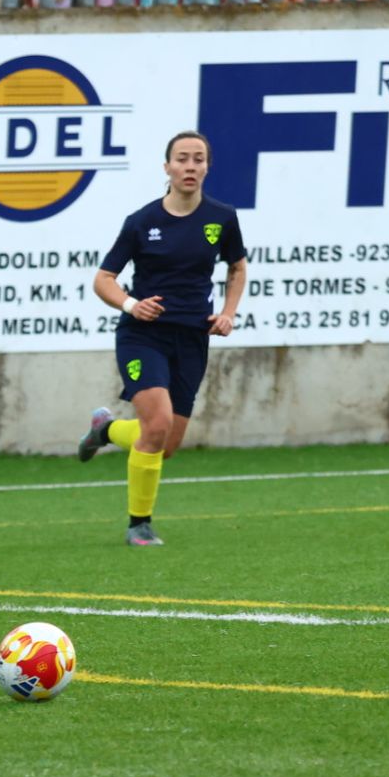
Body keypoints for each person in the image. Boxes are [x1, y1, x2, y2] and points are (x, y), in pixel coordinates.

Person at [76, 130, 247, 547]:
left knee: (163, 444)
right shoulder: (142, 221)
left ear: (207, 166)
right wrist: (132, 305)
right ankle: (139, 524)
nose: (191, 167)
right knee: (158, 424)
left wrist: (227, 314)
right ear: (167, 166)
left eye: (198, 159)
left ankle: (108, 430)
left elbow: (237, 267)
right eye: (182, 159)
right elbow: (103, 279)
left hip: (192, 339)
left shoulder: (222, 218)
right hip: (143, 336)